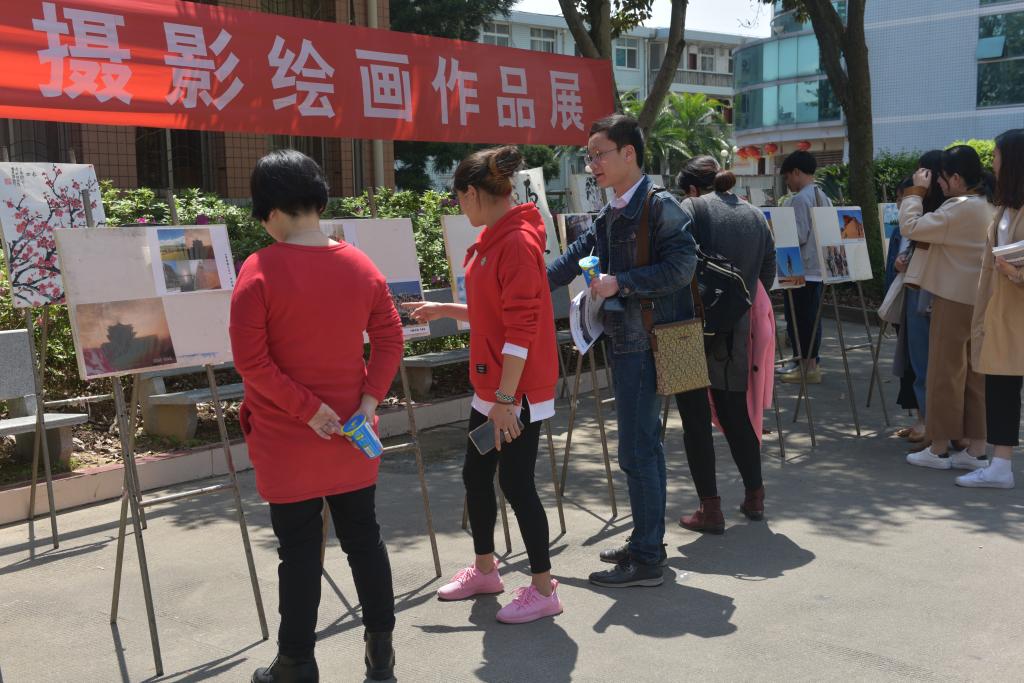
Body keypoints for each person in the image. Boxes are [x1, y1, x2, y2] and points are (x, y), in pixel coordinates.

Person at [231, 150, 404, 683]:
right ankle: (381, 657)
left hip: (287, 440)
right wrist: (369, 403)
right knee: (364, 541)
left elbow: (252, 362)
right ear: (319, 202)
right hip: (353, 435)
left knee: (300, 553)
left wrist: (308, 411)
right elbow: (391, 337)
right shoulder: (361, 265)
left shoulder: (258, 270)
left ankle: (296, 663)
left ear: (269, 211)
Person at [403, 146, 563, 623]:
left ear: (471, 192)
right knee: (476, 476)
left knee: (515, 483)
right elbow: (496, 313)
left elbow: (521, 329)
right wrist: (445, 310)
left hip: (515, 393)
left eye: (458, 198)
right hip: (494, 389)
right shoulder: (498, 237)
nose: (459, 207)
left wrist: (508, 400)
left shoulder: (515, 242)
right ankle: (486, 570)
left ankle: (543, 589)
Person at [548, 114, 697, 587]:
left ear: (628, 153)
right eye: (589, 156)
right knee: (642, 447)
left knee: (637, 450)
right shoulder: (613, 209)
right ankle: (645, 542)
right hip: (628, 341)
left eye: (599, 154)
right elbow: (573, 258)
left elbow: (683, 267)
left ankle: (648, 557)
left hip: (647, 343)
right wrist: (525, 285)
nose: (592, 164)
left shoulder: (659, 206)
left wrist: (623, 282)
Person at [672, 156, 776, 533]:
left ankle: (710, 509)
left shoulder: (690, 209)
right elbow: (767, 275)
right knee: (735, 414)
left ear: (692, 188)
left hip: (686, 327)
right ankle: (754, 495)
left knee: (694, 419)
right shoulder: (755, 216)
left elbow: (675, 265)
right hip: (736, 328)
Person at [899, 144, 995, 470]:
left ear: (955, 178)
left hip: (953, 299)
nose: (938, 184)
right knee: (975, 376)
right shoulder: (986, 204)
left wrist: (915, 192)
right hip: (979, 298)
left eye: (940, 178)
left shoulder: (960, 208)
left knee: (943, 374)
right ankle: (976, 450)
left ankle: (938, 448)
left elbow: (910, 227)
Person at [959, 129, 1024, 488]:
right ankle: (1000, 464)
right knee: (1000, 388)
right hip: (1000, 312)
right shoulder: (1004, 206)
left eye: (997, 155)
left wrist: (1014, 272)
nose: (992, 161)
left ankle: (1000, 466)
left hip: (1014, 312)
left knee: (1003, 387)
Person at [901, 150, 947, 447]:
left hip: (926, 293)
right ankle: (934, 425)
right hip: (934, 291)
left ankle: (932, 427)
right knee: (929, 365)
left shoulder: (944, 210)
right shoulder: (949, 208)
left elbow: (909, 227)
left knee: (926, 365)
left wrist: (916, 192)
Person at [778, 150, 832, 384]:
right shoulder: (822, 195)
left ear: (797, 172)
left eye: (787, 177)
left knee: (800, 319)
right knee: (811, 318)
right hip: (818, 268)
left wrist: (777, 231)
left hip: (799, 268)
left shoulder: (800, 199)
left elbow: (798, 235)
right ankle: (807, 362)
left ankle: (807, 367)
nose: (788, 183)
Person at [886, 177, 922, 438]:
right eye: (899, 200)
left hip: (918, 301)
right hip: (902, 300)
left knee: (917, 364)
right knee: (907, 364)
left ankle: (925, 421)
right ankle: (919, 418)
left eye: (904, 199)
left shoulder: (924, 226)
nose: (899, 205)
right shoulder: (899, 229)